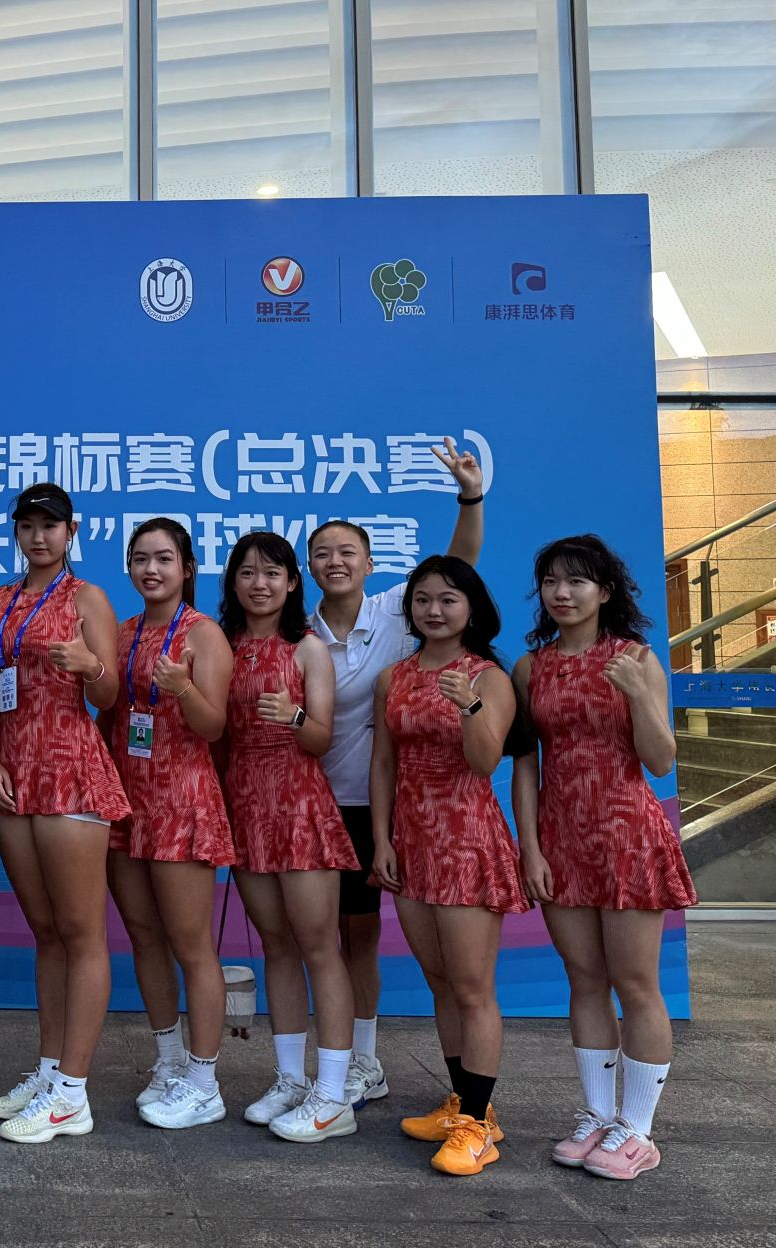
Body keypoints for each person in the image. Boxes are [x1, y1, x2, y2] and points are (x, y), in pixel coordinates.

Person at [305, 438, 485, 1108]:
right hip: (313, 804)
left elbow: (458, 567)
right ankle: (332, 1061)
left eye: (347, 551)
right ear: (309, 567)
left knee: (362, 937)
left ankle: (365, 1061)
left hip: (378, 806)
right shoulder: (298, 633)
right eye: (323, 553)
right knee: (321, 940)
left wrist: (469, 496)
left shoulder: (395, 613)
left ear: (370, 562)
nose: (335, 561)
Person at [511, 534, 694, 1182]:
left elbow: (661, 760)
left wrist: (639, 694)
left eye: (577, 582)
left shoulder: (637, 658)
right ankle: (596, 1114)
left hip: (626, 836)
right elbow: (526, 765)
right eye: (551, 582)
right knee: (584, 979)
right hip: (562, 840)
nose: (562, 593)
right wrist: (530, 847)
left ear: (606, 591)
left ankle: (637, 1130)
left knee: (636, 983)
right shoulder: (530, 668)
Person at [0, 482, 127, 1144]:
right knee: (46, 932)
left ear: (71, 533)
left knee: (80, 931)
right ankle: (47, 1071)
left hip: (69, 764)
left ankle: (72, 1092)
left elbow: (111, 694)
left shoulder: (87, 598)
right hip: (12, 770)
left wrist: (91, 664)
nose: (39, 537)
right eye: (28, 526)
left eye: (51, 526)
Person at [368, 555, 524, 1177]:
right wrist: (381, 840)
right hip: (411, 843)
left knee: (472, 986)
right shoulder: (395, 677)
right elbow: (384, 763)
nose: (433, 610)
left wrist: (471, 708)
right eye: (423, 599)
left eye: (448, 599)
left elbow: (485, 764)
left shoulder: (489, 677)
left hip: (466, 841)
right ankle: (464, 1102)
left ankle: (478, 1127)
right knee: (439, 981)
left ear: (471, 608)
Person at [217, 531, 360, 1144]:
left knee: (319, 946)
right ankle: (290, 1079)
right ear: (233, 582)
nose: (260, 584)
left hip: (299, 806)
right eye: (248, 573)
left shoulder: (308, 648)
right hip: (245, 806)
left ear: (292, 582)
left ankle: (334, 1092)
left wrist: (295, 716)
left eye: (272, 573)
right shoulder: (220, 645)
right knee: (276, 946)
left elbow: (322, 737)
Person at [99, 518, 235, 1131]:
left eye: (163, 559)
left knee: (191, 945)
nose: (150, 570)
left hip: (182, 798)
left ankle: (205, 1082)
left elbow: (214, 727)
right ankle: (171, 1060)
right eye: (140, 559)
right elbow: (109, 714)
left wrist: (181, 688)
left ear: (187, 569)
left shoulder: (203, 634)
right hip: (127, 798)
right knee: (143, 935)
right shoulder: (123, 632)